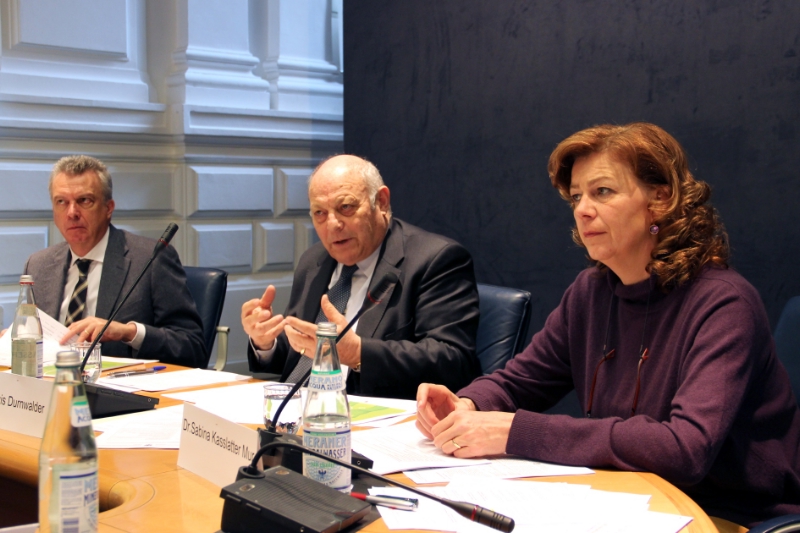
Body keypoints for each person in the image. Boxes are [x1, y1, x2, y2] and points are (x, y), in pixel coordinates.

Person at [416, 123, 800, 527]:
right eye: (576, 196)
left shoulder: (724, 304)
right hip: (625, 501)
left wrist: (517, 431)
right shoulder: (591, 291)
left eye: (602, 191)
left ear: (660, 200)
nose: (583, 209)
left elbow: (685, 450)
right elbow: (519, 382)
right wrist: (468, 404)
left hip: (729, 516)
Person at [242, 154, 480, 399]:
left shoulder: (435, 260)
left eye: (345, 207)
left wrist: (358, 353)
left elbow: (453, 361)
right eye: (319, 212)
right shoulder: (313, 261)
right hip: (293, 409)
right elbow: (300, 356)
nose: (332, 224)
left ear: (381, 202)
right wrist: (265, 342)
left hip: (372, 414)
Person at [24, 155, 208, 368]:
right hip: (51, 383)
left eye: (84, 200)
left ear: (108, 208)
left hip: (119, 384)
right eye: (61, 202)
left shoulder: (150, 259)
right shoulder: (38, 265)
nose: (72, 213)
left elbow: (192, 347)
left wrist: (128, 332)